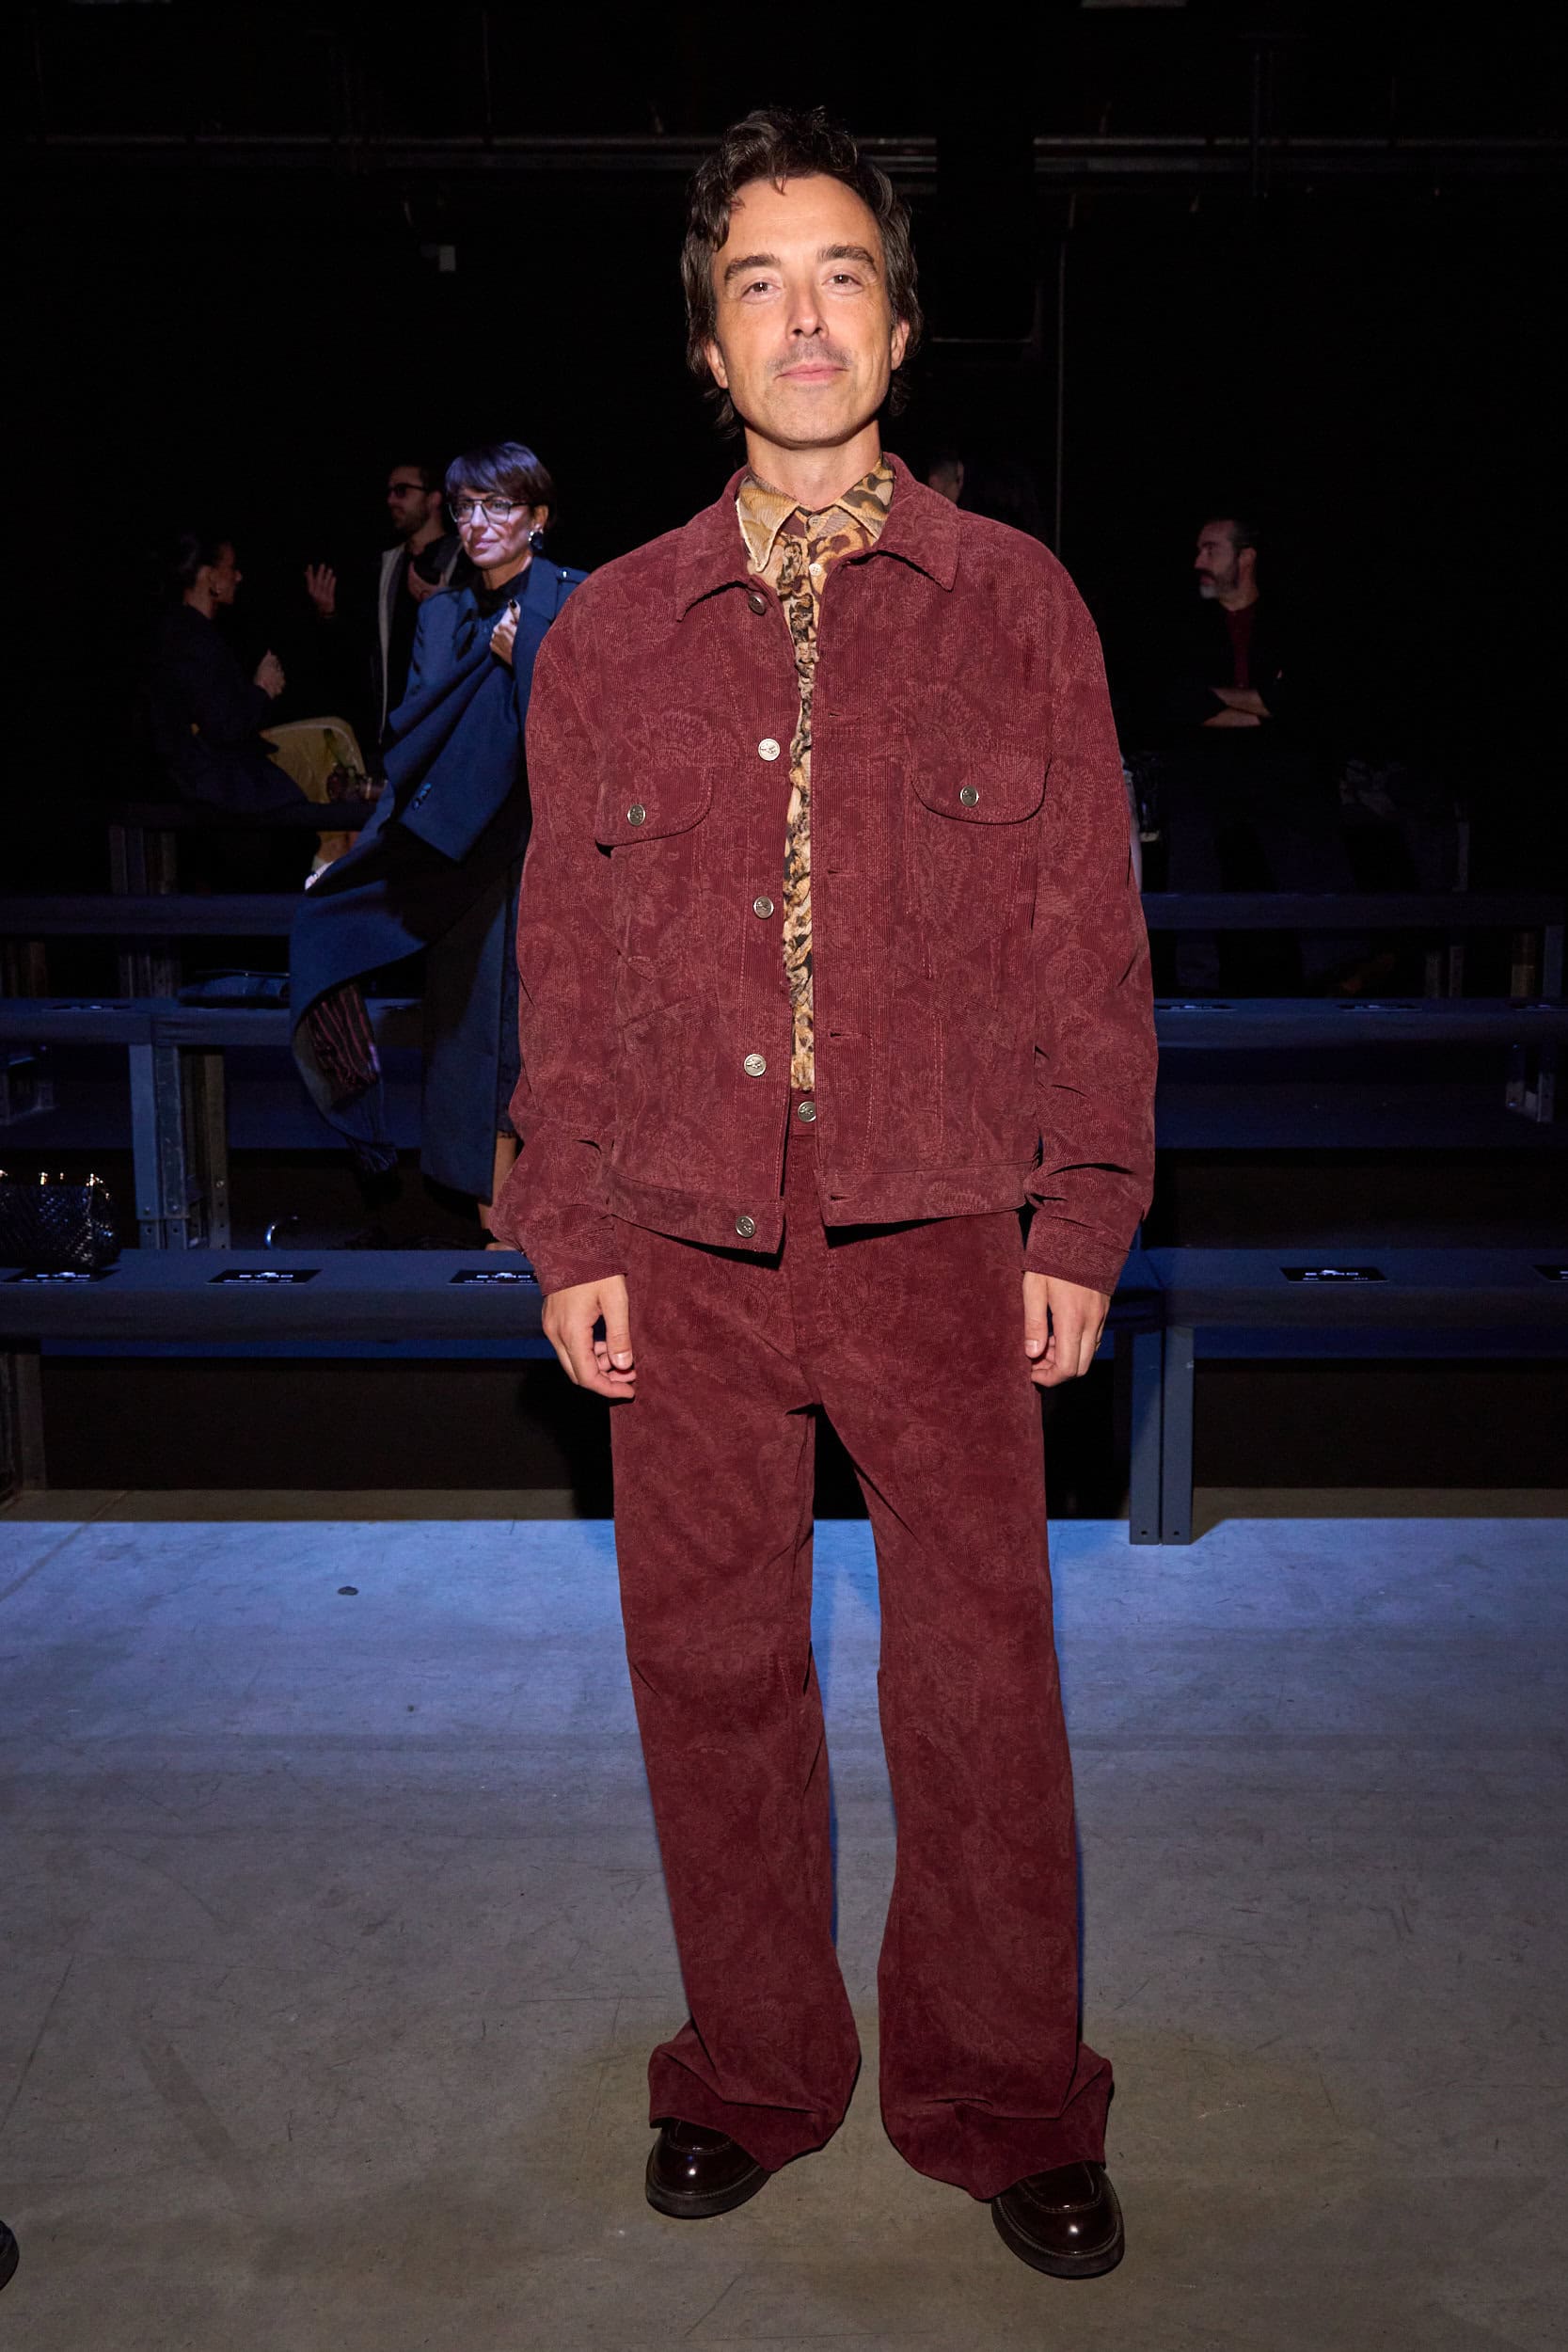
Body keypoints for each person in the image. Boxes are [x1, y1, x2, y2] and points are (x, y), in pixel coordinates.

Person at [489, 109, 1156, 2281]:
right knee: (711, 1676)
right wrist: (566, 1226)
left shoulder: (1016, 606)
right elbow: (565, 961)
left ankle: (1005, 2095)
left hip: (942, 1227)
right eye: (757, 282)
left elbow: (1087, 941)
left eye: (841, 272)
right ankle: (753, 2070)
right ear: (705, 343)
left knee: (977, 1687)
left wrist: (1083, 1215)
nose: (802, 318)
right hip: (679, 1232)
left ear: (899, 319)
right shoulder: (607, 636)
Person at [291, 440, 583, 1224]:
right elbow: (416, 746)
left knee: (548, 1040)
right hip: (463, 857)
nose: (477, 523)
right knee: (471, 1039)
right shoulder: (445, 615)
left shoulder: (578, 599)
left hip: (555, 857)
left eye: (498, 506)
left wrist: (530, 657)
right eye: (464, 508)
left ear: (537, 517)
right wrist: (364, 851)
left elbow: (603, 733)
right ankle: (496, 1223)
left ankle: (551, 1223)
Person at [1154, 513, 1358, 991]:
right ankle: (1196, 983)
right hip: (1205, 768)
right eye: (1199, 550)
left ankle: (1336, 967)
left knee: (1306, 812)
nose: (1199, 561)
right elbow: (1176, 701)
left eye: (1211, 550)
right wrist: (1261, 706)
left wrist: (1226, 701)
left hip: (1277, 766)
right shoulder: (1185, 625)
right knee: (1189, 827)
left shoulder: (1289, 622)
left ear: (1245, 558)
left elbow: (1302, 702)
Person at [305, 457, 472, 755]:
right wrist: (329, 615)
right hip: (392, 730)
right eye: (390, 492)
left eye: (402, 491)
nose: (391, 500)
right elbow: (360, 649)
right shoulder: (385, 565)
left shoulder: (466, 558)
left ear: (433, 499)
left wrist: (443, 607)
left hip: (446, 733)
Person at [147, 532, 312, 818]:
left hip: (211, 783)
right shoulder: (192, 640)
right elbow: (225, 725)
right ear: (211, 577)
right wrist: (262, 690)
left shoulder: (192, 633)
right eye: (231, 568)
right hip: (213, 790)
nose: (238, 576)